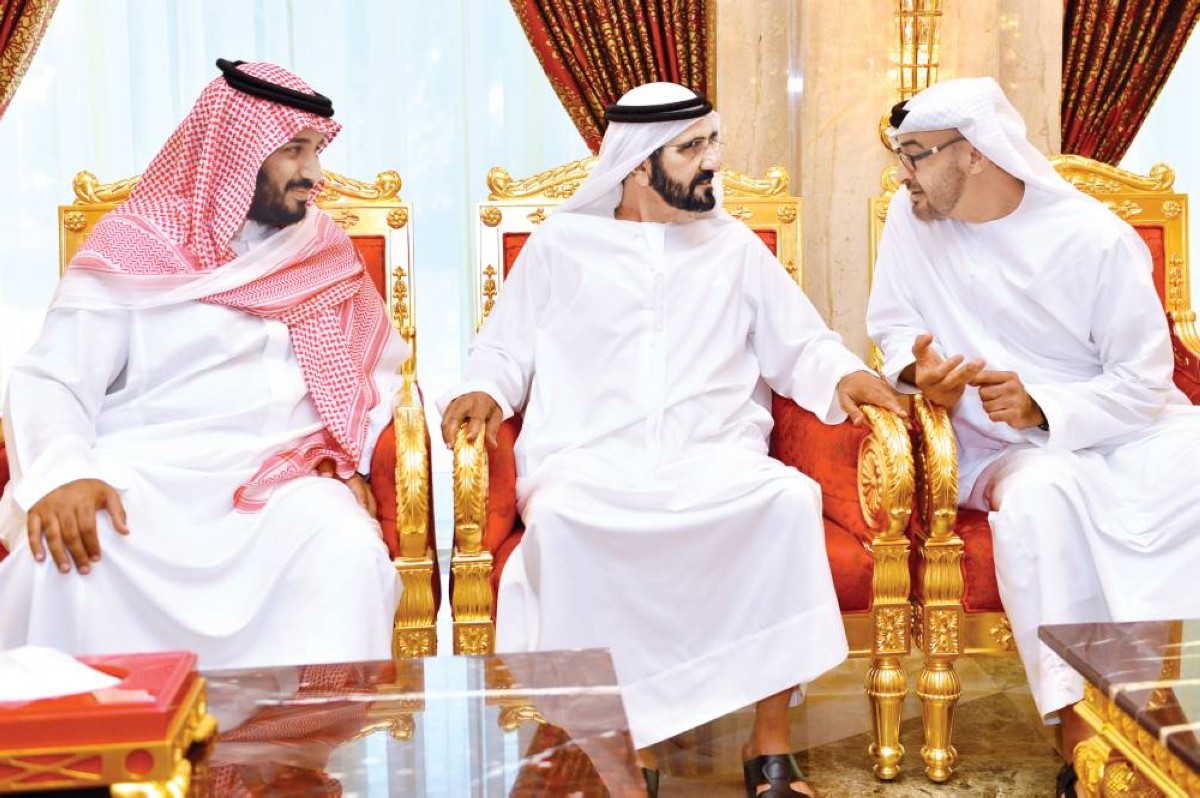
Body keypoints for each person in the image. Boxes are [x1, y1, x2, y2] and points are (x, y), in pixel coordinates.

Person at [439, 81, 906, 798]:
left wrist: (846, 376)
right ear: (637, 163)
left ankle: (770, 745)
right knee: (564, 524)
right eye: (691, 148)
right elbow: (505, 348)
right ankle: (637, 743)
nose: (711, 160)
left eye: (712, 143)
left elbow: (801, 342)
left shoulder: (733, 246)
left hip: (712, 457)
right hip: (590, 461)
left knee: (785, 501)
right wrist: (484, 390)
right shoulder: (562, 246)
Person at [0, 59, 405, 669]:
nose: (314, 175)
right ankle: (99, 729)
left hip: (278, 486)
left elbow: (376, 375)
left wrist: (349, 454)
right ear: (235, 153)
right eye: (294, 150)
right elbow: (53, 379)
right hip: (146, 480)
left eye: (316, 150)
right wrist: (63, 473)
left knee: (345, 549)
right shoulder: (135, 247)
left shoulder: (319, 251)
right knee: (66, 555)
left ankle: (310, 731)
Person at [866, 76, 1200, 796]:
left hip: (1117, 427)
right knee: (1045, 497)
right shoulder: (910, 218)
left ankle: (1155, 696)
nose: (903, 175)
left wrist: (1044, 406)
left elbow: (1144, 379)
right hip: (999, 446)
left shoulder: (1096, 238)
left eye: (917, 155)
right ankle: (1083, 732)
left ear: (976, 153)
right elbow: (892, 325)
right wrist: (921, 372)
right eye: (901, 156)